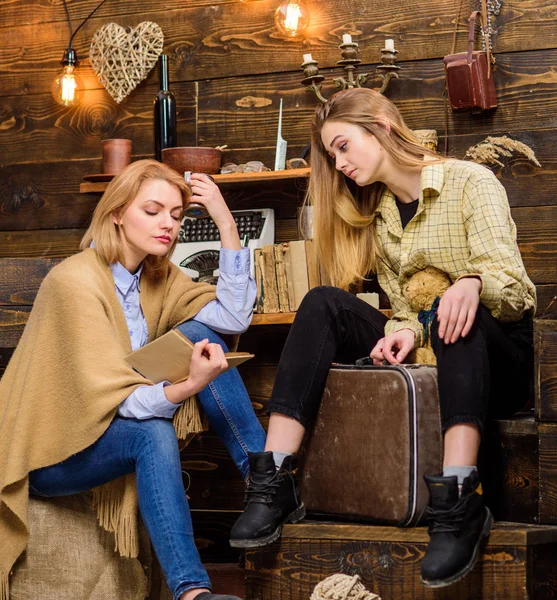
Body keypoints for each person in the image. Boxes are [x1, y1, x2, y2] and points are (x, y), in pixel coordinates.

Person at [230, 88, 536, 588]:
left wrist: (470, 283)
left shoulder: (470, 182)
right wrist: (402, 334)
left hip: (496, 352)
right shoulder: (384, 217)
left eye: (344, 145)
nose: (340, 162)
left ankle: (458, 503)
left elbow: (515, 290)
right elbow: (410, 311)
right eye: (332, 155)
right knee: (322, 302)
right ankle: (274, 482)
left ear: (381, 125)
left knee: (455, 311)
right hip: (434, 343)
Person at [0, 159, 265, 600]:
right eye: (153, 211)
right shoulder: (75, 282)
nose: (168, 225)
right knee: (152, 433)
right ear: (118, 212)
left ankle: (262, 476)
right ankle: (193, 591)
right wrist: (186, 386)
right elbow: (116, 401)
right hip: (51, 451)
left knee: (202, 333)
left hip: (103, 432)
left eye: (176, 216)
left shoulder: (156, 277)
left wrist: (223, 219)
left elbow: (233, 316)